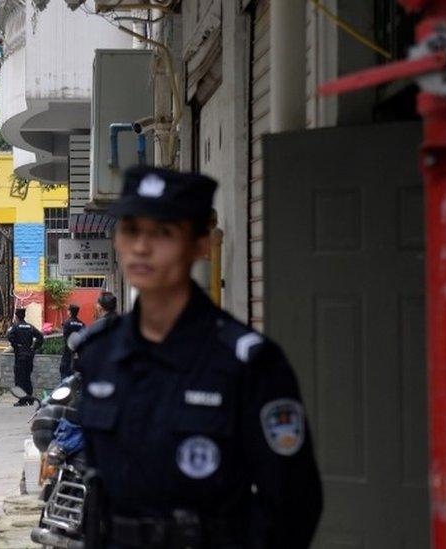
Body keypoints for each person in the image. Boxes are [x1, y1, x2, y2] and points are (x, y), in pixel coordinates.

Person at [73, 166, 322, 548]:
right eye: (131, 230)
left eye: (163, 233)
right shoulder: (99, 355)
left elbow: (292, 504)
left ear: (201, 244)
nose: (141, 247)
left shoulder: (249, 363)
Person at [6, 308, 44, 406]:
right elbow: (40, 336)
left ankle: (22, 400)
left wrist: (16, 346)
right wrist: (34, 348)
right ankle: (30, 399)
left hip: (20, 356)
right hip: (29, 356)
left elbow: (9, 336)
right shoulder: (30, 326)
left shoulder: (15, 326)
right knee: (27, 377)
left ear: (16, 316)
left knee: (19, 378)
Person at [60, 304, 86, 378]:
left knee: (65, 374)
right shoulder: (82, 324)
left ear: (70, 312)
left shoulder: (66, 323)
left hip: (68, 354)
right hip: (79, 355)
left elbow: (66, 338)